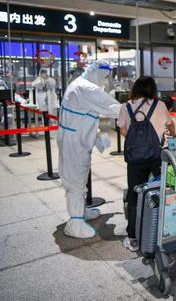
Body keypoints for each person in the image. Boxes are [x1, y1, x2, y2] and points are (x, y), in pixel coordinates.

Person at [57, 60, 121, 239]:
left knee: (79, 176)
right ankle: (75, 222)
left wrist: (97, 136)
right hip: (74, 141)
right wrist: (136, 110)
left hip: (75, 138)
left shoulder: (78, 84)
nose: (105, 80)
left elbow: (86, 114)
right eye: (104, 76)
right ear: (97, 72)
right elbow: (111, 106)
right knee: (75, 179)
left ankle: (80, 210)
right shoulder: (87, 88)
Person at [117, 76, 175, 251]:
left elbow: (123, 130)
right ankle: (160, 230)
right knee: (161, 190)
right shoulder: (160, 105)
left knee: (134, 195)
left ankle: (133, 237)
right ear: (152, 90)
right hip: (157, 155)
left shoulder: (125, 107)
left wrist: (138, 142)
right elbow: (170, 125)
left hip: (136, 159)